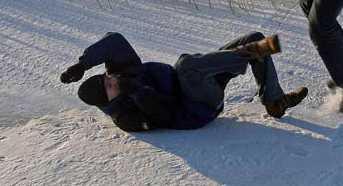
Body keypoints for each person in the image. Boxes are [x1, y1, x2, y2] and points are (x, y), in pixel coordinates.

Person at [59, 31, 308, 132]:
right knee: (185, 65)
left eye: (106, 77)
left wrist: (83, 64)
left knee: (254, 38)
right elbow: (165, 115)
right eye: (109, 87)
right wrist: (139, 94)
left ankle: (275, 102)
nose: (113, 80)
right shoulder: (125, 117)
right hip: (196, 108)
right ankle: (249, 52)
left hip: (199, 81)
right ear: (108, 100)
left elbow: (115, 41)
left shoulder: (121, 75)